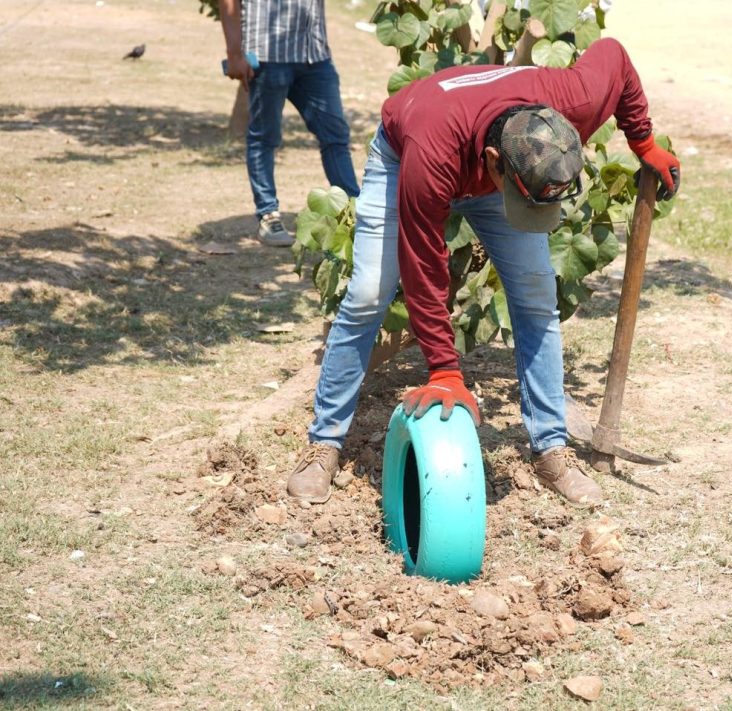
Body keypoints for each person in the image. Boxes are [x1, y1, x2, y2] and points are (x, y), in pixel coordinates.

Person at [286, 37, 680, 506]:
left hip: (499, 162)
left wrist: (643, 140)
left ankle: (551, 448)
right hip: (409, 148)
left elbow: (614, 53)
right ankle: (323, 444)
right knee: (370, 292)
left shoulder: (573, 100)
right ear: (493, 165)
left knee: (537, 299)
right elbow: (422, 260)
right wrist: (445, 371)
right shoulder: (429, 157)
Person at [219, 0, 360, 247]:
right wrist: (234, 53)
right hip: (267, 56)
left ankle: (352, 209)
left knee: (335, 135)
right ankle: (268, 214)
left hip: (315, 55)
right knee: (265, 137)